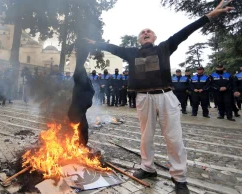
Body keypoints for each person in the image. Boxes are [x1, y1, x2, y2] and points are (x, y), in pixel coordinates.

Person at [85, 1, 233, 193]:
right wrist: (94, 43)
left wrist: (210, 15)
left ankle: (179, 178)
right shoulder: (131, 53)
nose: (145, 33)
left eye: (149, 31)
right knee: (146, 136)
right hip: (143, 98)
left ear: (154, 37)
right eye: (142, 32)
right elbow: (111, 47)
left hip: (165, 96)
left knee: (173, 137)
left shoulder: (164, 47)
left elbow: (186, 31)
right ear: (139, 39)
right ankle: (147, 168)